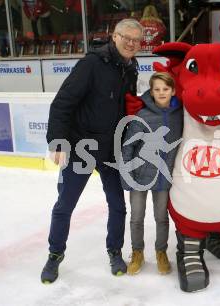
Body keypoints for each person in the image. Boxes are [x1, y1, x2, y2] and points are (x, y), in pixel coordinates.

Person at [41, 18, 143, 284]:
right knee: (65, 205)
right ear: (114, 37)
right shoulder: (92, 64)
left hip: (111, 149)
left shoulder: (131, 68)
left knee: (118, 206)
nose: (131, 43)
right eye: (127, 37)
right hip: (82, 147)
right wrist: (58, 140)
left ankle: (114, 251)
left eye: (136, 40)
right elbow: (63, 102)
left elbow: (126, 107)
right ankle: (54, 255)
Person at [120, 72, 183, 276]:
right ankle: (137, 252)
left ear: (173, 91)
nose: (161, 93)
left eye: (165, 89)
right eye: (157, 89)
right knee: (137, 217)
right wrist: (127, 175)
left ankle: (161, 252)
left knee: (161, 217)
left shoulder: (179, 114)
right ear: (151, 91)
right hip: (139, 176)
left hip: (163, 177)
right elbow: (128, 147)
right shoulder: (142, 115)